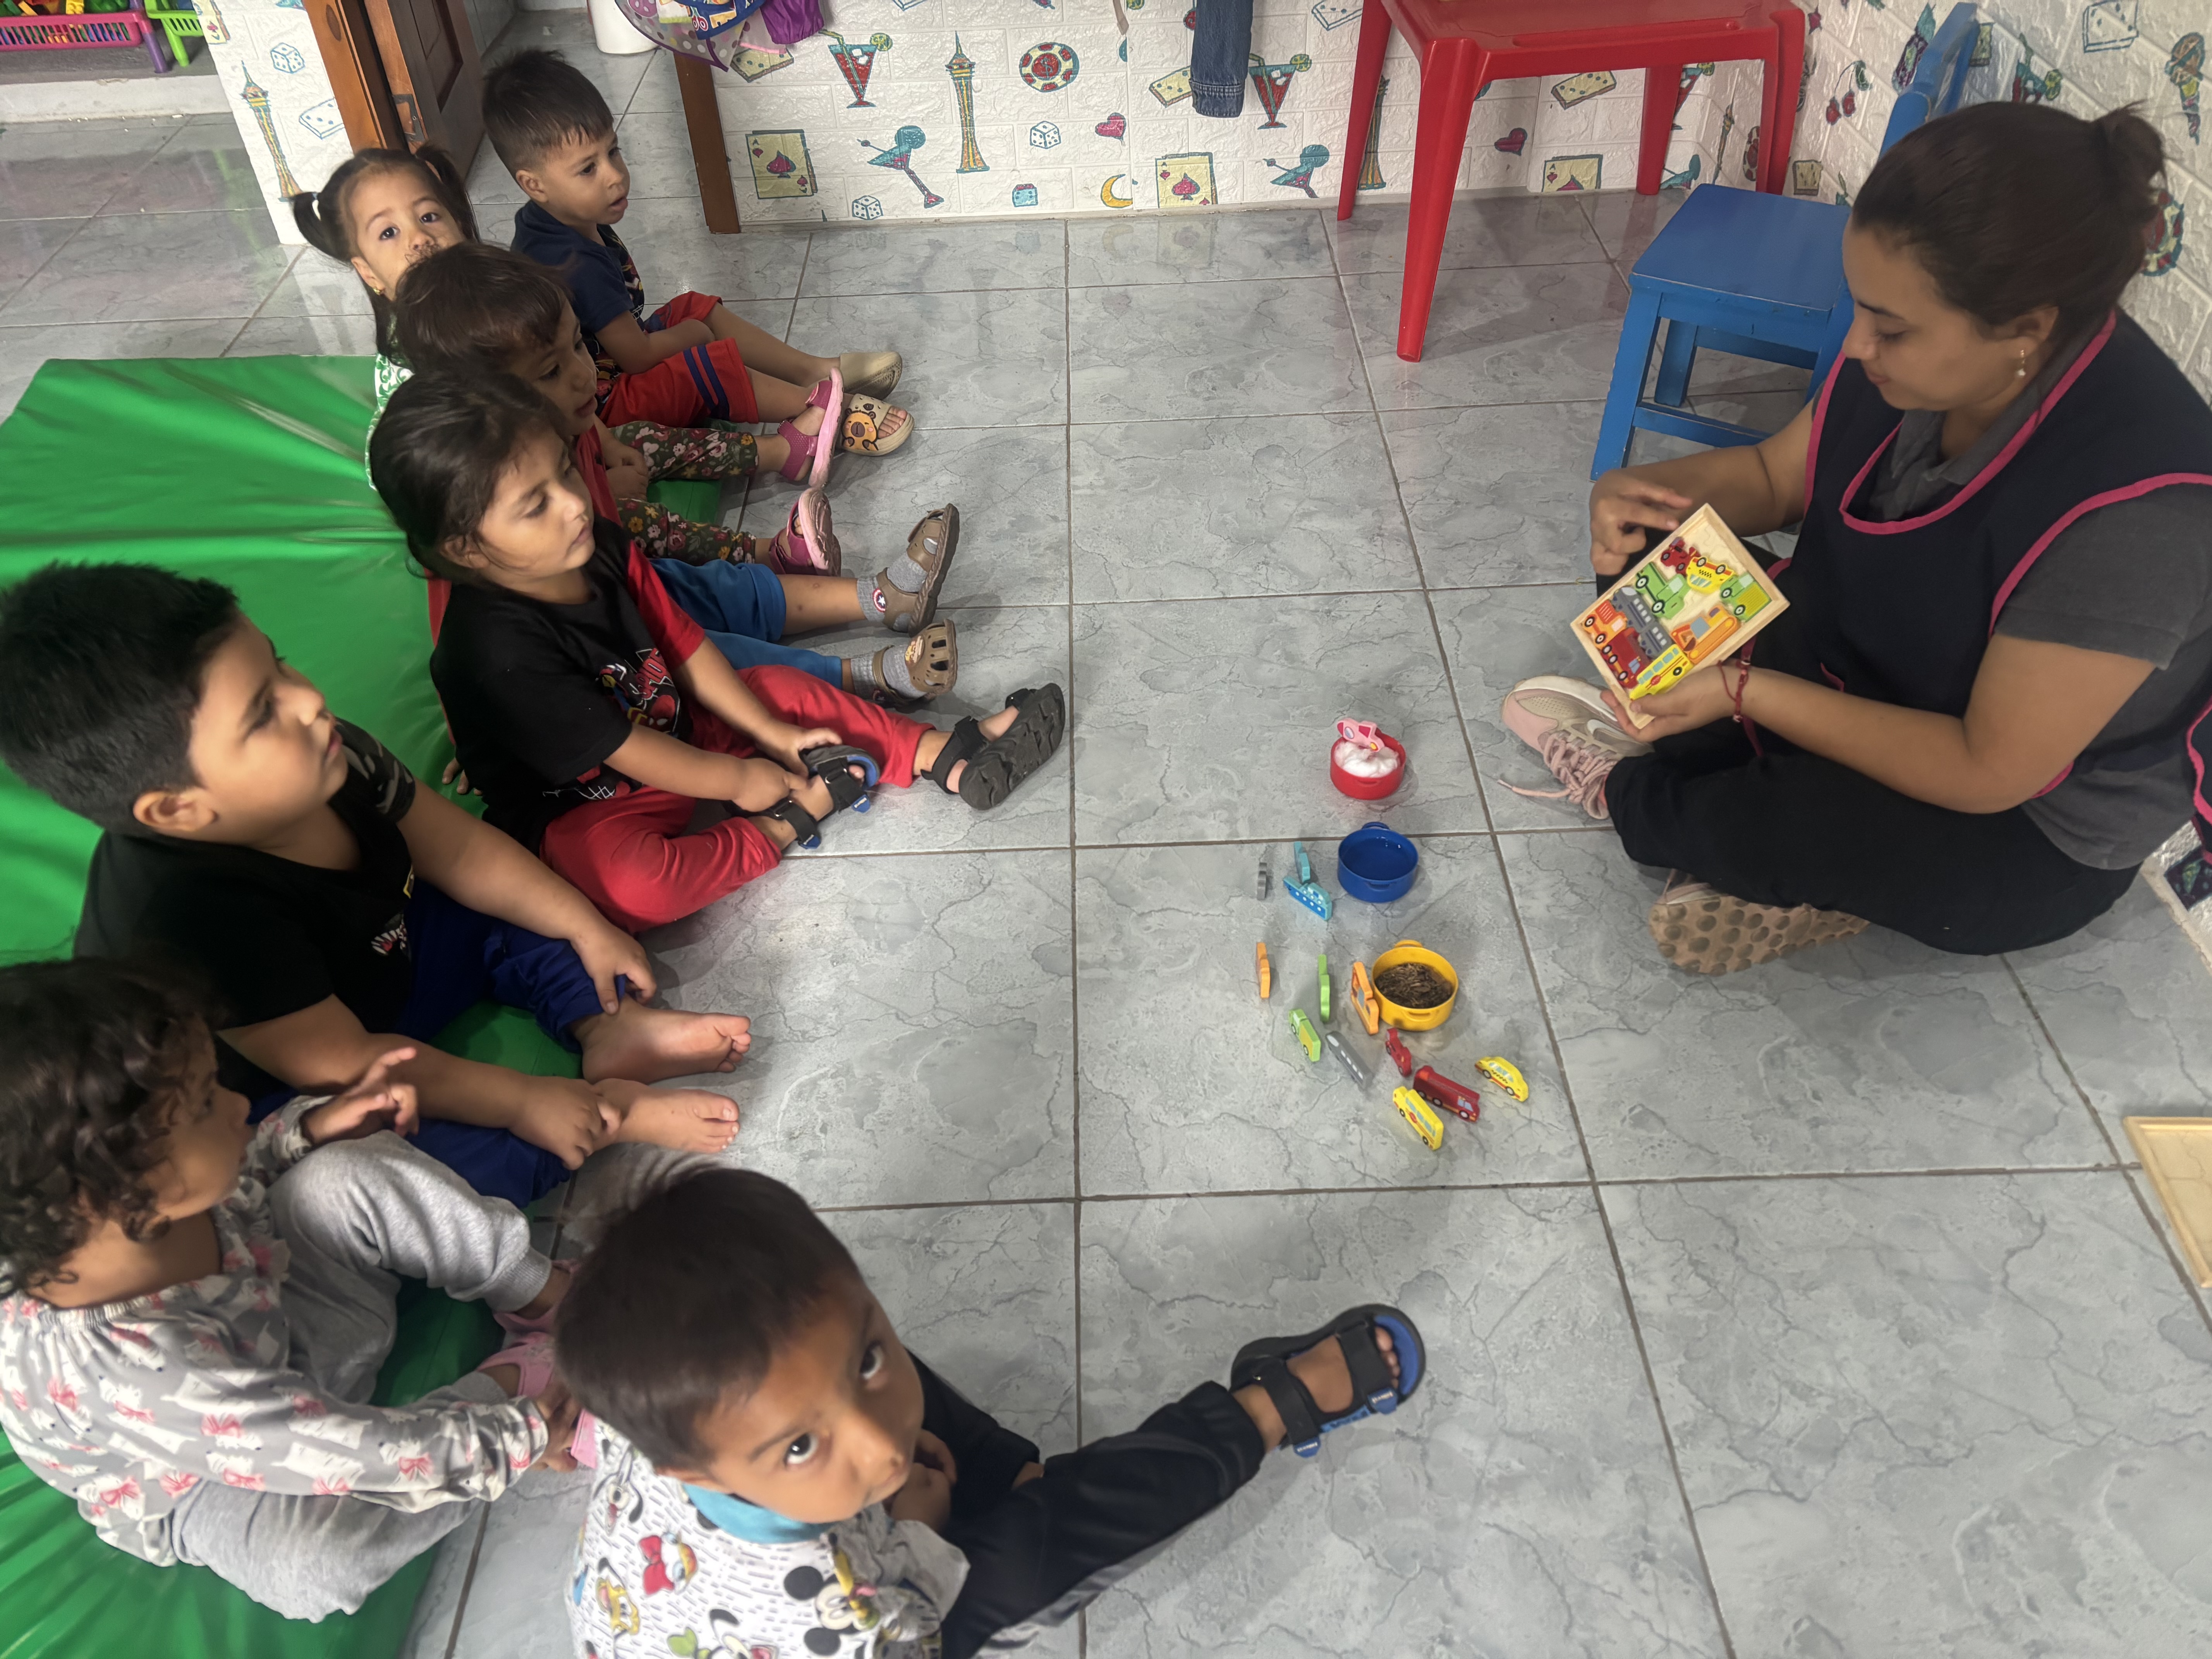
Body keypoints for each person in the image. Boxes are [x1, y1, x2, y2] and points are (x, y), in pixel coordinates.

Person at [1502, 101, 2212, 972]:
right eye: (1861, 309)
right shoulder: (1924, 349)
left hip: (2012, 824)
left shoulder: (2139, 516)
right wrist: (1637, 494)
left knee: (1793, 820)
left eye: (1892, 329)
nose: (1859, 345)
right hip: (1874, 665)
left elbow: (1986, 768)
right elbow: (1774, 477)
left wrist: (1745, 692)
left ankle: (1638, 790)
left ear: (2026, 329)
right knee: (1654, 544)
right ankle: (1751, 829)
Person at [0, 564, 746, 1210]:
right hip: (313, 1064)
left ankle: (610, 1026)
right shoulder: (187, 917)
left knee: (518, 893)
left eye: (279, 664)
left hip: (394, 949)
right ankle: (609, 1112)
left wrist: (586, 928)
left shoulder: (332, 749)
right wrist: (525, 1099)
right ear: (177, 810)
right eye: (262, 713)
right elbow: (346, 1063)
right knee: (424, 1182)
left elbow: (460, 850)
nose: (307, 700)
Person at [554, 1167, 1426, 1659]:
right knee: (1040, 1548)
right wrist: (918, 1539)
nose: (880, 1446)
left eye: (867, 1360)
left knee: (845, 1366)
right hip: (879, 1624)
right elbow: (916, 1634)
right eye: (802, 1445)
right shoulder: (846, 1616)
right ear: (692, 1470)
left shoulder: (654, 1419)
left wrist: (863, 1467)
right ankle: (1266, 1410)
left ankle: (1003, 1469)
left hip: (740, 1577)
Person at [369, 373, 1065, 934]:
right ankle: (781, 826)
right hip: (588, 806)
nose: (575, 505)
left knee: (778, 687)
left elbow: (683, 641)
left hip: (674, 729)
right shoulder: (495, 652)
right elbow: (623, 751)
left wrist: (769, 732)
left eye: (565, 473)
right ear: (465, 548)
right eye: (535, 506)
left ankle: (947, 755)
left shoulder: (596, 545)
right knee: (627, 884)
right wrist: (736, 783)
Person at [0, 958, 581, 1621]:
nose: (238, 1105)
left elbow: (241, 1175)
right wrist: (512, 1437)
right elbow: (323, 1447)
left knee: (344, 1174)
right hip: (208, 1472)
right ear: (110, 1193)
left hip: (271, 1316)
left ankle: (542, 1293)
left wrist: (307, 1130)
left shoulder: (117, 1211)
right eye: (204, 1104)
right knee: (312, 1566)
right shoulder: (129, 1369)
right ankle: (517, 1386)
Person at [391, 241, 959, 704]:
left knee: (709, 588)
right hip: (600, 643)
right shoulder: (473, 521)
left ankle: (880, 598)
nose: (584, 375)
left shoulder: (568, 423)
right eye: (550, 372)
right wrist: (476, 730)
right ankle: (863, 676)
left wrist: (607, 451)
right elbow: (462, 650)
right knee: (704, 652)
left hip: (619, 576)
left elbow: (610, 511)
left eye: (578, 348)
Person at [482, 48, 910, 462]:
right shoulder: (572, 263)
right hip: (600, 407)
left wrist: (689, 327)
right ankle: (821, 410)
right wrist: (694, 337)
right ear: (534, 184)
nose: (615, 176)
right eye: (588, 169)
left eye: (612, 151)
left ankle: (810, 369)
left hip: (606, 368)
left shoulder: (549, 219)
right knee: (703, 362)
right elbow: (637, 357)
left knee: (693, 306)